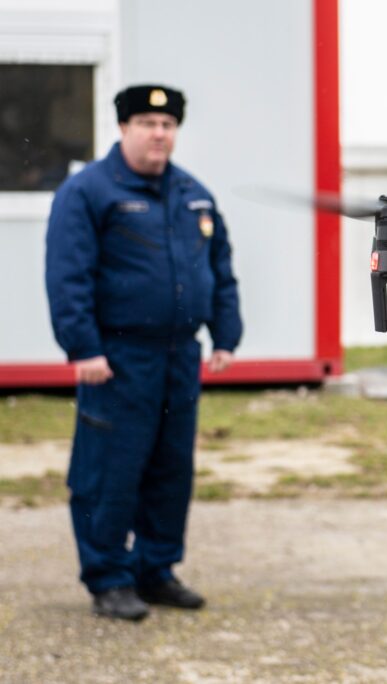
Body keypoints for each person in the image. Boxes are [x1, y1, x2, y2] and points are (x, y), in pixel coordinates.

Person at [45, 84, 242, 620]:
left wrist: (226, 333)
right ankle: (108, 576)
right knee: (109, 469)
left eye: (168, 124)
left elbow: (220, 269)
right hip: (116, 358)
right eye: (147, 123)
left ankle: (156, 570)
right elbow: (68, 275)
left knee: (170, 468)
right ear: (123, 128)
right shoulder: (89, 191)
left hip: (179, 355)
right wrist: (82, 346)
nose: (159, 133)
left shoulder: (192, 194)